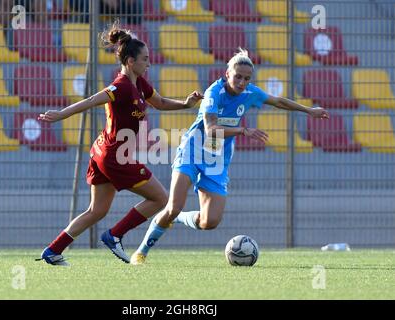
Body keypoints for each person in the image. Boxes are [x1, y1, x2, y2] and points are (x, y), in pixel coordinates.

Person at [130, 48, 330, 265]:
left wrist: (308, 110)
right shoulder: (214, 93)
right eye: (238, 77)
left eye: (247, 78)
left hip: (217, 158)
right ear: (227, 74)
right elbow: (210, 130)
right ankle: (141, 252)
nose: (242, 82)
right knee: (173, 205)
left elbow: (278, 101)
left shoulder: (250, 93)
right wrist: (242, 131)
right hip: (193, 151)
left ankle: (178, 217)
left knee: (210, 221)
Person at [36, 21, 203, 266]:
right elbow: (93, 99)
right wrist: (62, 114)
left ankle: (52, 250)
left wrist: (186, 104)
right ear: (130, 61)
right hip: (114, 155)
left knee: (97, 210)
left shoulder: (140, 84)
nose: (149, 63)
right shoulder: (122, 86)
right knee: (161, 198)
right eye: (145, 59)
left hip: (104, 152)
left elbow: (161, 102)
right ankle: (114, 235)